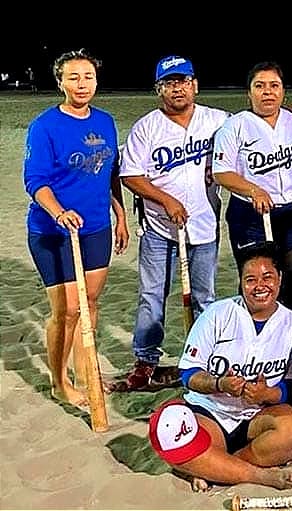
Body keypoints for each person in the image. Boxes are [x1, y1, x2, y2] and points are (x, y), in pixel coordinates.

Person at [154, 243, 292, 490]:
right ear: (241, 283)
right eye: (250, 279)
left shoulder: (291, 321)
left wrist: (267, 393)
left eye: (267, 277)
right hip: (212, 412)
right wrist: (218, 384)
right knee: (166, 429)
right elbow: (188, 374)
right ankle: (259, 475)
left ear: (280, 278)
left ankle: (217, 468)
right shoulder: (217, 314)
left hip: (256, 416)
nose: (259, 286)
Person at [23, 48, 128, 406]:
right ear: (60, 82)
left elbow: (109, 173)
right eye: (73, 77)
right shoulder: (44, 126)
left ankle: (86, 372)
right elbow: (35, 180)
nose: (81, 84)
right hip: (53, 231)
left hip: (96, 227)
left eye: (87, 77)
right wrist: (58, 212)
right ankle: (60, 381)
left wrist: (121, 215)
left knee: (90, 303)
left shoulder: (105, 122)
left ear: (96, 81)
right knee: (66, 310)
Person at [119, 55, 229, 390]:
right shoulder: (147, 127)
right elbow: (131, 175)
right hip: (158, 229)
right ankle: (146, 360)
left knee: (204, 297)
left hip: (203, 227)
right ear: (158, 90)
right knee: (152, 296)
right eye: (169, 83)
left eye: (182, 81)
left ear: (194, 84)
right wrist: (165, 199)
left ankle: (202, 357)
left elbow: (253, 130)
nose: (177, 88)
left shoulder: (218, 120)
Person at [213, 61, 292, 315]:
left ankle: (291, 328)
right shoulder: (235, 126)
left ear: (283, 91)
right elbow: (221, 171)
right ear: (249, 92)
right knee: (257, 278)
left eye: (274, 85)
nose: (267, 91)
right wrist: (253, 190)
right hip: (250, 214)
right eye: (260, 86)